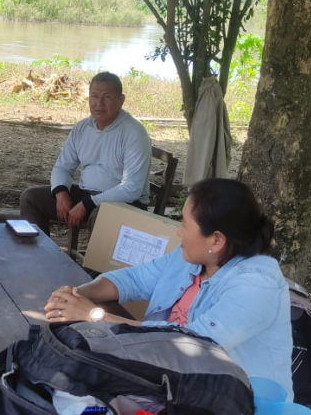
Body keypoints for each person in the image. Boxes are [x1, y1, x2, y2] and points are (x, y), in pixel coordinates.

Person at [44, 178, 294, 400]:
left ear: (216, 240)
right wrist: (78, 294)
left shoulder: (258, 283)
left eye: (185, 224)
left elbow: (192, 342)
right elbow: (134, 279)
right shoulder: (190, 258)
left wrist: (93, 316)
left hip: (238, 401)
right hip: (175, 381)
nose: (178, 231)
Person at [19, 72, 151, 235]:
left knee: (101, 217)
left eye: (107, 97)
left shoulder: (134, 133)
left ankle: (94, 261)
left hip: (126, 203)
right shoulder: (82, 128)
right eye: (94, 96)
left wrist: (87, 204)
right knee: (31, 198)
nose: (99, 104)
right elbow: (63, 167)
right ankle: (37, 254)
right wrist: (61, 192)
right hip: (87, 195)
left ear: (121, 100)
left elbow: (132, 188)